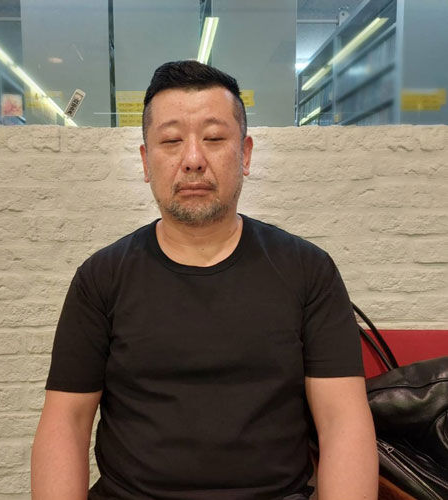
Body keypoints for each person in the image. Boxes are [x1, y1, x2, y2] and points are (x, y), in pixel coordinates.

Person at [31, 60, 378, 500]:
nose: (193, 160)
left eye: (214, 139)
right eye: (171, 141)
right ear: (146, 161)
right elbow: (66, 422)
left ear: (245, 154)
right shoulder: (101, 278)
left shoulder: (308, 271)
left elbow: (342, 422)